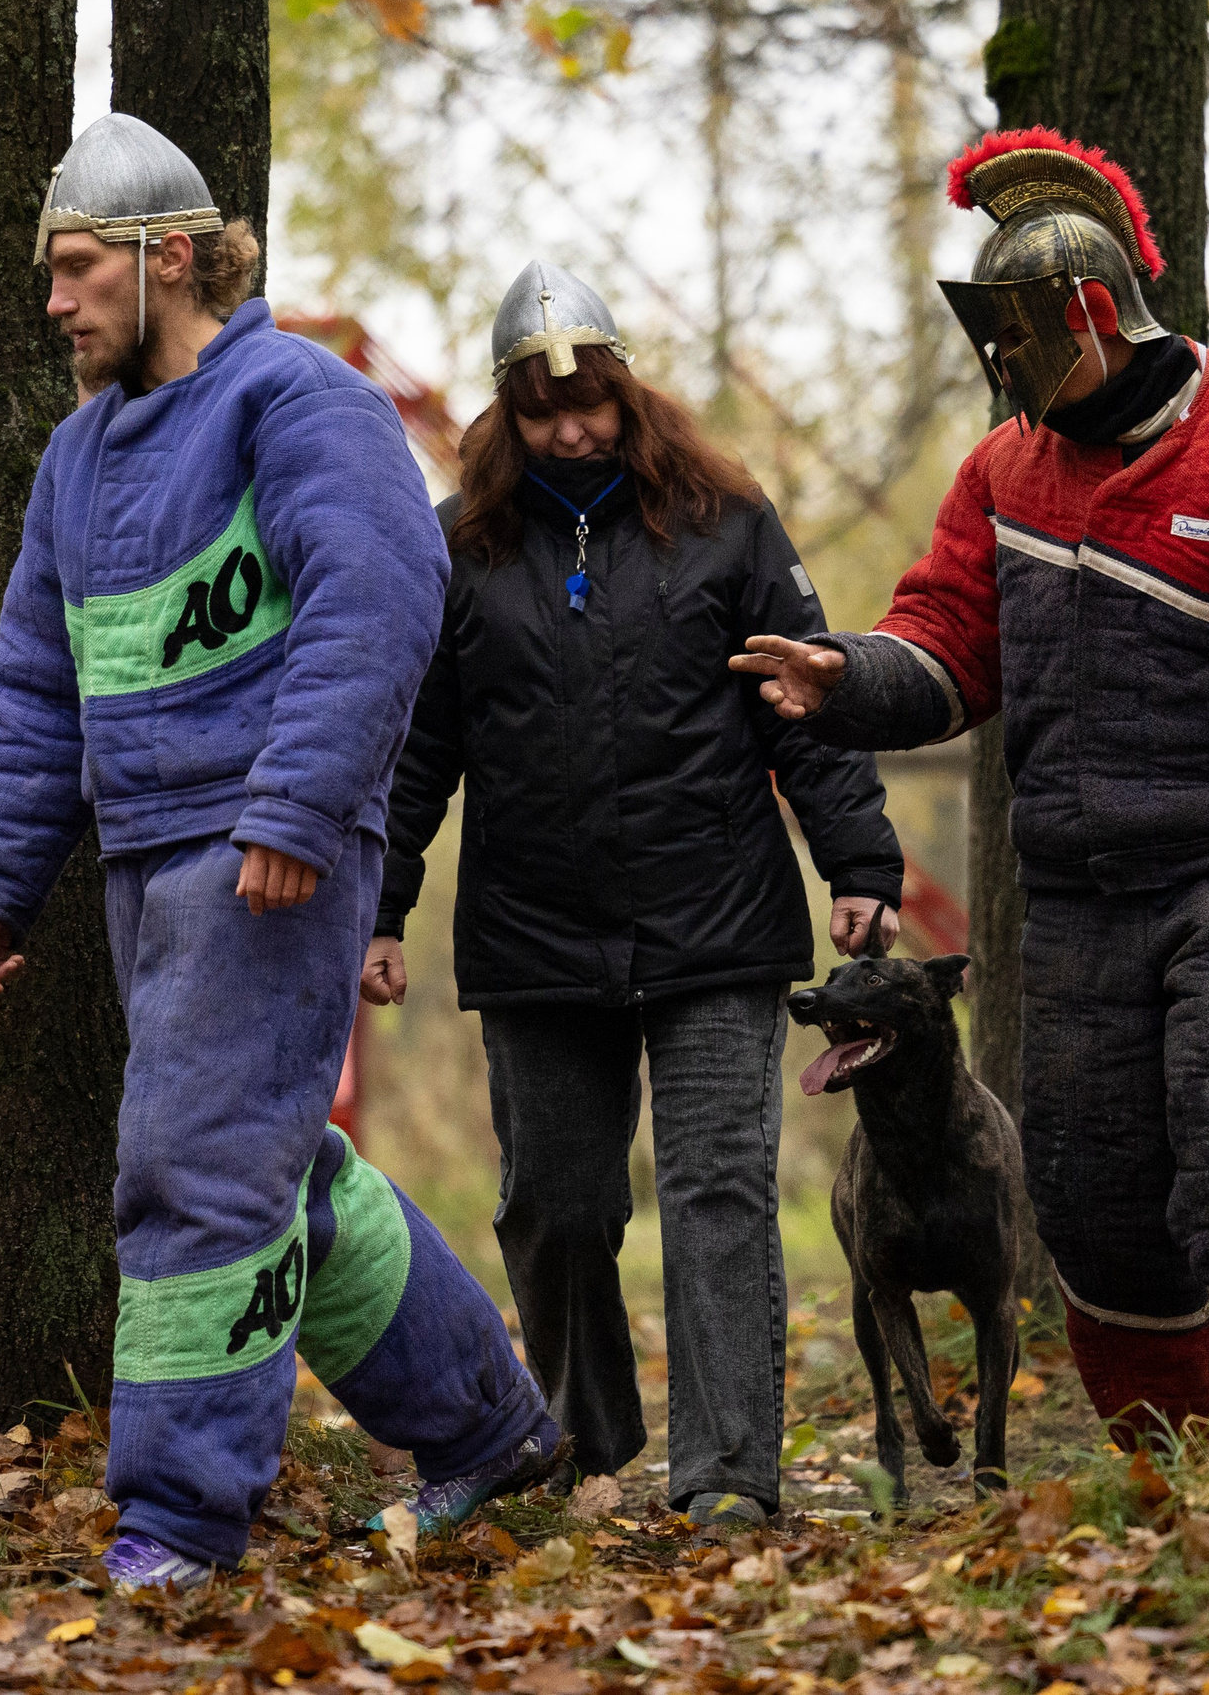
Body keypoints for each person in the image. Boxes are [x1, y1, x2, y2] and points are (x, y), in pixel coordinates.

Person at [0, 113, 562, 1594]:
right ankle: (487, 1427)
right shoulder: (77, 459)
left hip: (270, 850)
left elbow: (383, 594)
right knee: (277, 1172)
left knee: (193, 1173)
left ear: (169, 258)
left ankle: (181, 1518)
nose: (54, 299)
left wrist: (296, 803)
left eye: (78, 267)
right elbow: (36, 679)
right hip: (149, 862)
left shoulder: (301, 400)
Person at [733, 128, 1209, 1440]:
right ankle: (1166, 1461)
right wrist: (842, 673)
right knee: (1086, 1184)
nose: (1010, 365)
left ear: (1098, 314)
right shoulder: (1003, 474)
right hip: (1079, 890)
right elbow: (948, 644)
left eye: (1026, 335)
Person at [362, 261, 905, 1533]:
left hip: (714, 918)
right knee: (556, 1201)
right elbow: (417, 747)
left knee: (717, 1188)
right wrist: (379, 910)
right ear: (508, 413)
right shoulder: (459, 548)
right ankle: (584, 1443)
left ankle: (724, 1474)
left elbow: (802, 711)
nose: (571, 432)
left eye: (590, 405)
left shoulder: (728, 523)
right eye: (544, 413)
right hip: (535, 930)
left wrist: (860, 866)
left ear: (627, 394)